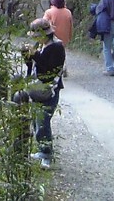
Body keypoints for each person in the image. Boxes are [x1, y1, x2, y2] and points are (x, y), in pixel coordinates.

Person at [24, 18, 65, 169]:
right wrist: (28, 57)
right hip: (38, 90)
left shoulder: (56, 47)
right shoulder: (42, 45)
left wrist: (35, 55)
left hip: (49, 90)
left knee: (43, 123)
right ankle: (42, 150)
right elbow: (33, 67)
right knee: (36, 121)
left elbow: (48, 69)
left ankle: (47, 155)